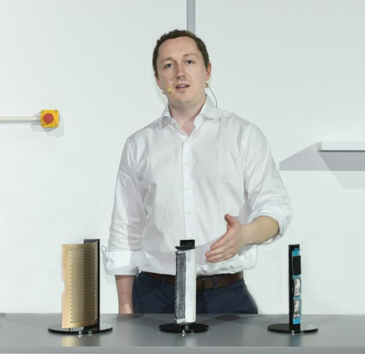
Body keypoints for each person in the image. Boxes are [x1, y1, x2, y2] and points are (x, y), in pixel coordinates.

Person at [103, 29, 292, 315]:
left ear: (207, 71)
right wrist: (126, 311)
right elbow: (125, 231)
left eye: (189, 61)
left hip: (226, 297)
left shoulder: (243, 135)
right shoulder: (138, 145)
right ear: (158, 80)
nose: (180, 72)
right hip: (154, 297)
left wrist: (246, 234)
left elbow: (276, 208)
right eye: (168, 65)